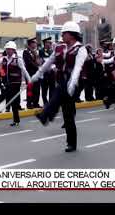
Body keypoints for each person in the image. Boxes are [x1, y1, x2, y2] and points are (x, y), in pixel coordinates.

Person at [32, 21, 87, 152]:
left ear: (72, 35)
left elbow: (78, 68)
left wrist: (72, 84)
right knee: (67, 114)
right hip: (62, 81)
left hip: (75, 82)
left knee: (58, 94)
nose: (62, 35)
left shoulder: (81, 49)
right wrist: (38, 74)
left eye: (65, 33)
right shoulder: (59, 48)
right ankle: (71, 143)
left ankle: (46, 115)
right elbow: (49, 62)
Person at [0, 41, 31, 127]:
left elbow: (24, 70)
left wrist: (29, 80)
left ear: (14, 50)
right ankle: (16, 120)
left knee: (7, 95)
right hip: (8, 82)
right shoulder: (4, 58)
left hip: (15, 83)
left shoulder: (18, 59)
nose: (8, 51)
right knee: (12, 101)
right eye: (7, 49)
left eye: (10, 49)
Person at [22, 37, 42, 109]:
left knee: (37, 88)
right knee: (30, 89)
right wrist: (37, 66)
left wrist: (40, 63)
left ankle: (36, 103)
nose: (35, 44)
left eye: (35, 43)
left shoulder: (36, 52)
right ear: (30, 44)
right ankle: (29, 103)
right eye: (34, 43)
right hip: (30, 74)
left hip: (37, 74)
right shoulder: (26, 52)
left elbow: (39, 61)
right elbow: (29, 63)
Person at [39, 37, 55, 105]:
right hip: (44, 73)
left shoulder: (52, 51)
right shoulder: (41, 51)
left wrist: (53, 66)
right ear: (45, 43)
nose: (49, 44)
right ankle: (45, 102)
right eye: (48, 42)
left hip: (51, 73)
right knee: (44, 89)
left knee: (52, 88)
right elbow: (41, 61)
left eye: (50, 43)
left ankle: (51, 101)